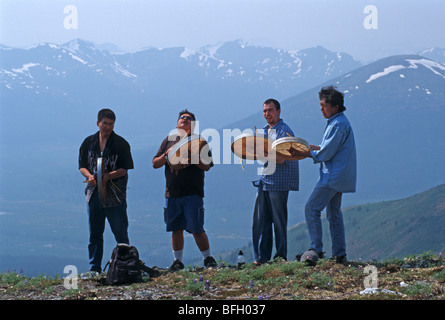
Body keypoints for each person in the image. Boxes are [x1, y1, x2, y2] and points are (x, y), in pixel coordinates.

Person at [290, 86, 357, 264]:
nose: (321, 109)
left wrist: (303, 153)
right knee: (334, 213)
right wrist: (312, 148)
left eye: (324, 105)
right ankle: (339, 254)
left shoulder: (337, 124)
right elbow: (330, 148)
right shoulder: (340, 122)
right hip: (342, 175)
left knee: (311, 208)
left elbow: (325, 154)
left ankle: (316, 249)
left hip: (332, 176)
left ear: (335, 106)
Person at [152, 109, 217, 271]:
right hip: (172, 192)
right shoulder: (168, 141)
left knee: (196, 228)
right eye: (182, 118)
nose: (185, 120)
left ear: (193, 125)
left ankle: (208, 258)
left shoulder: (200, 142)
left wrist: (194, 158)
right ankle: (177, 261)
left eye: (188, 119)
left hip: (192, 192)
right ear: (177, 122)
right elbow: (155, 163)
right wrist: (166, 155)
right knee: (176, 228)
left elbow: (207, 166)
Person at [78, 108, 134, 274]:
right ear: (98, 123)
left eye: (111, 124)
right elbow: (82, 166)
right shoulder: (88, 142)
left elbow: (124, 169)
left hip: (115, 194)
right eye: (105, 123)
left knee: (120, 231)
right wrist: (90, 177)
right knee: (95, 232)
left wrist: (108, 176)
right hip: (94, 193)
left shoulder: (121, 143)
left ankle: (125, 266)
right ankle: (94, 268)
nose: (108, 127)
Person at [252, 99, 299, 265]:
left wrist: (261, 153)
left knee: (279, 221)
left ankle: (280, 256)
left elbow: (280, 159)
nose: (267, 114)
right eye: (264, 111)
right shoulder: (265, 130)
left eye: (270, 110)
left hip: (279, 182)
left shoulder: (284, 131)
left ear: (279, 111)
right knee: (263, 220)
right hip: (265, 180)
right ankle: (262, 257)